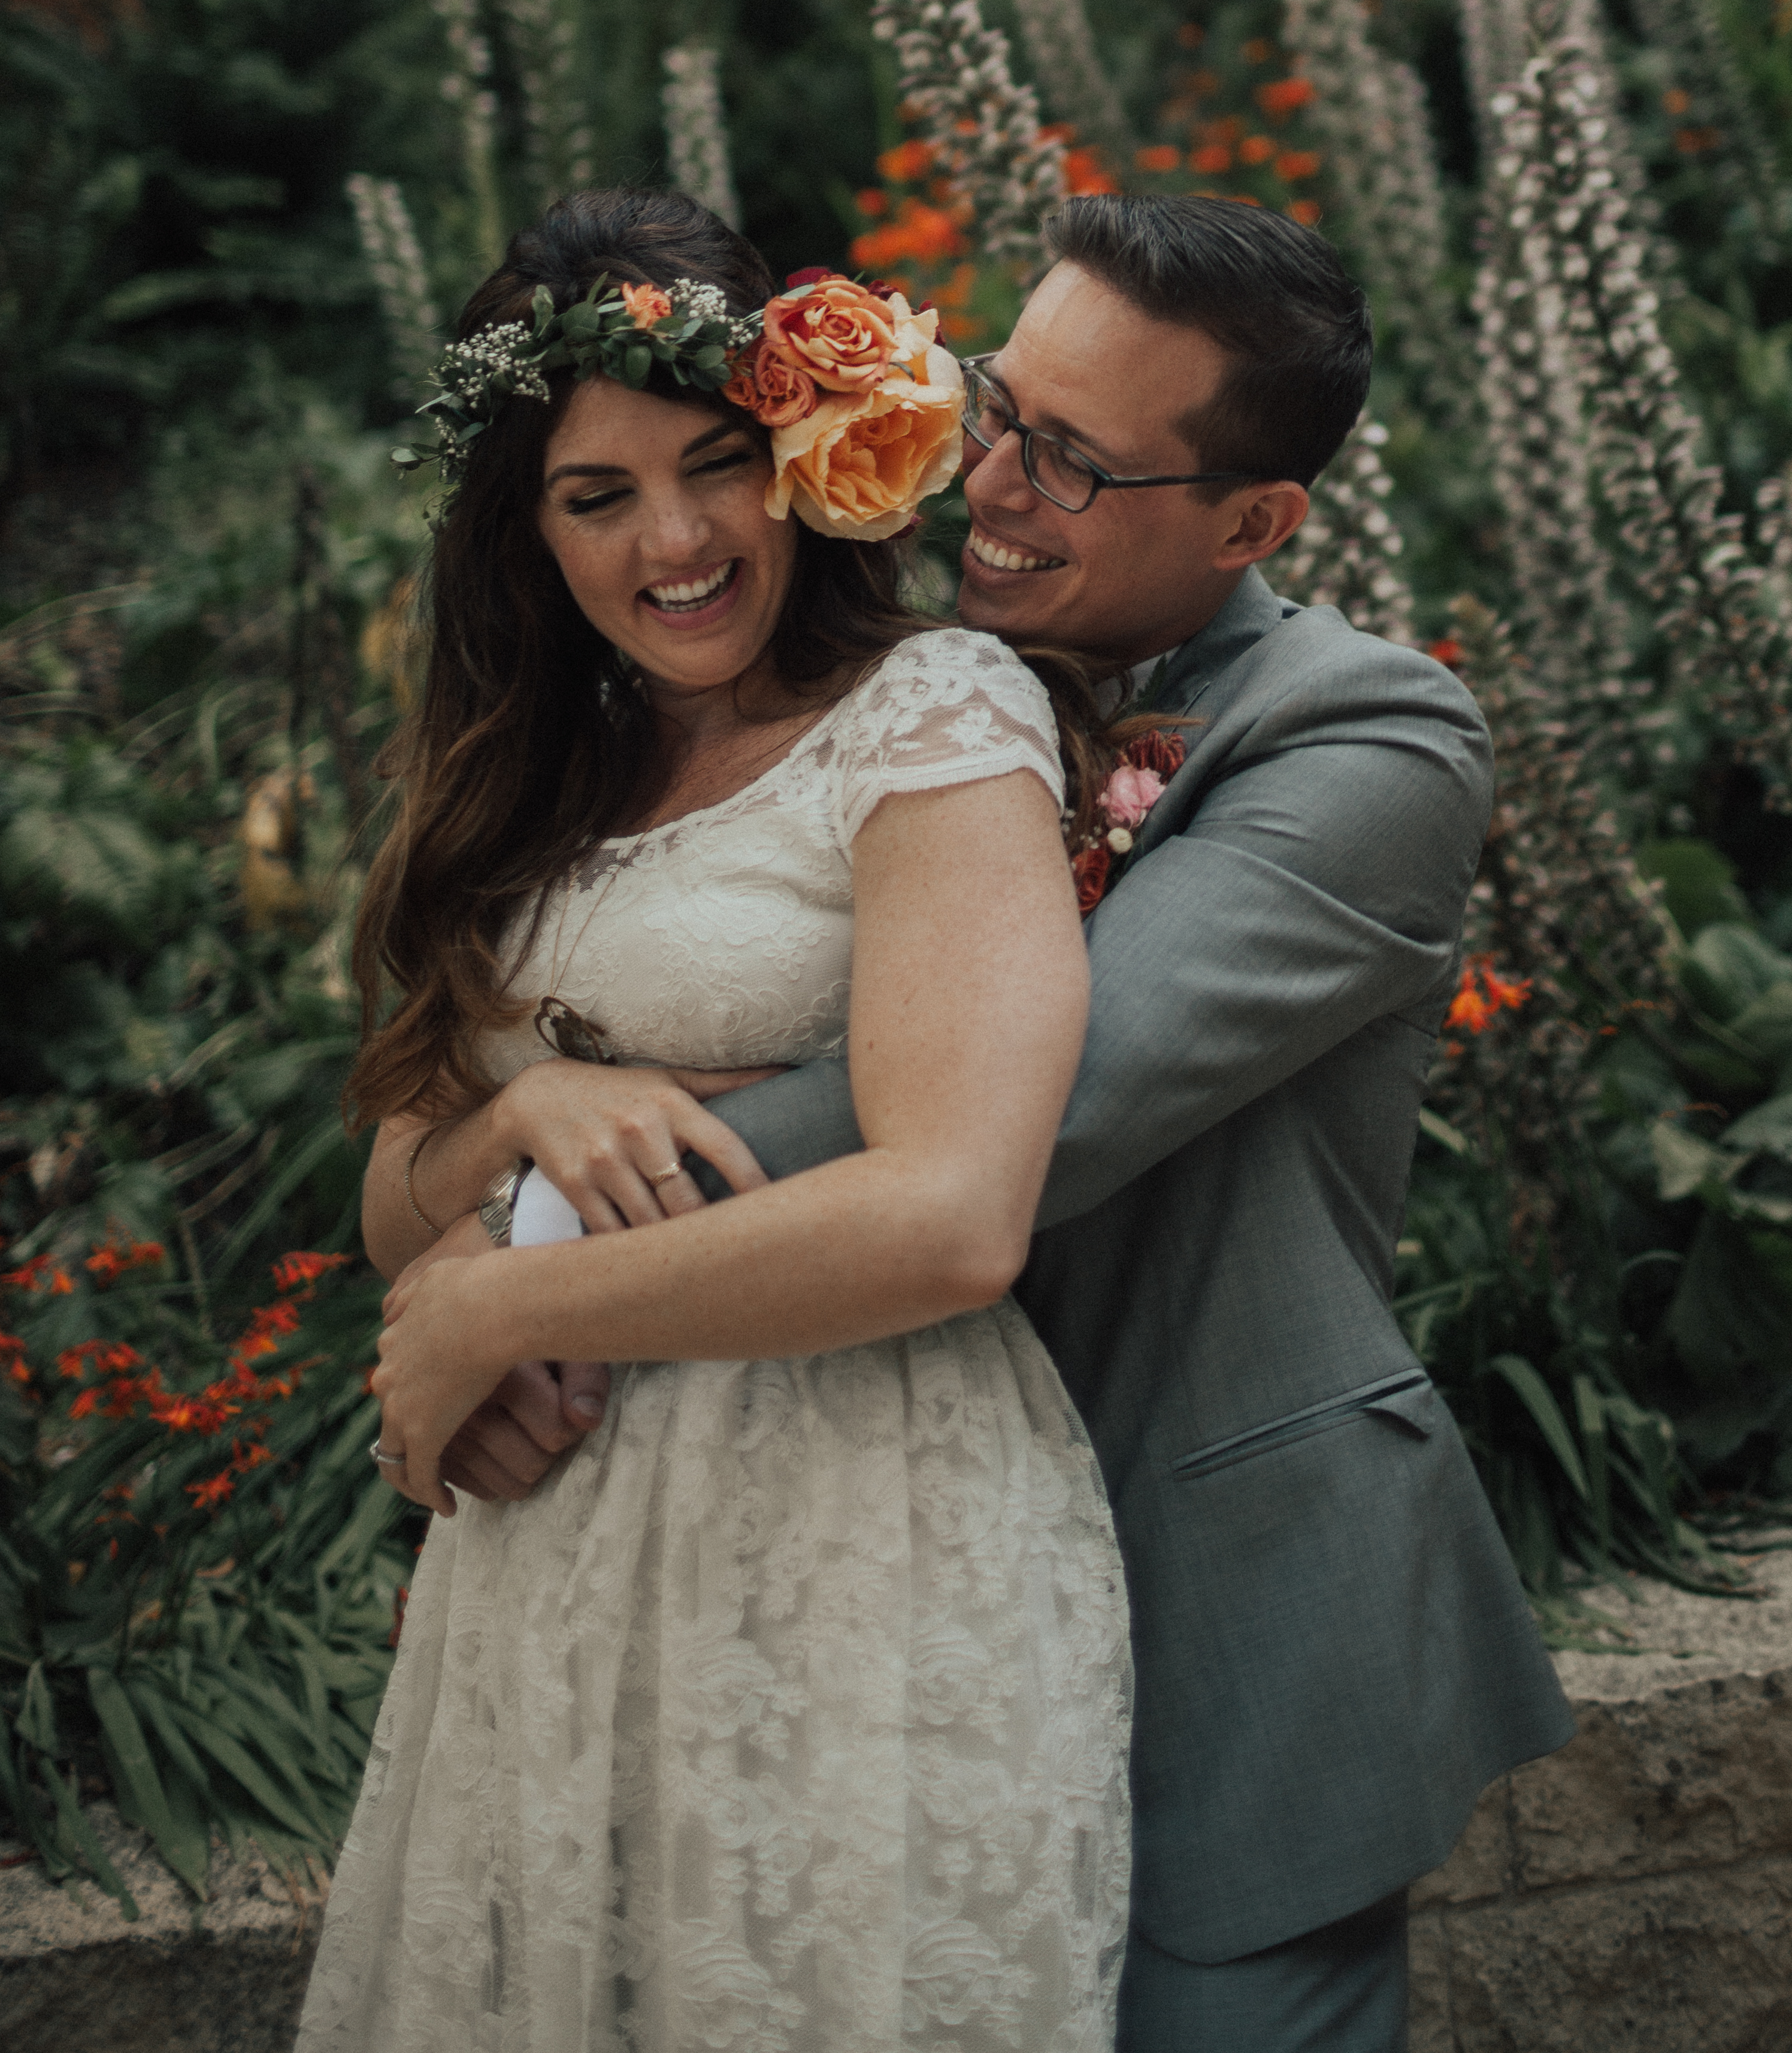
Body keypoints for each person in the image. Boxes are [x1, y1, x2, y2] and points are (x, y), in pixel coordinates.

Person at [460, 193, 1575, 2052]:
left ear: (1253, 522)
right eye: (998, 402)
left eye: (1074, 459)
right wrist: (549, 1086)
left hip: (1221, 1600)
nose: (989, 478)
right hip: (871, 1590)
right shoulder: (871, 679)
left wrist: (533, 1251)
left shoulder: (1368, 739)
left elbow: (1025, 1111)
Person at [295, 189, 1134, 2053]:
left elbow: (950, 1214)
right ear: (529, 528)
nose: (673, 540)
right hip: (552, 1576)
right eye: (597, 496)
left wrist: (500, 1311)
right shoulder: (546, 769)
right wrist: (538, 1111)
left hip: (851, 1531)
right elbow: (390, 1191)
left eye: (718, 465)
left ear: (812, 454)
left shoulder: (928, 711)